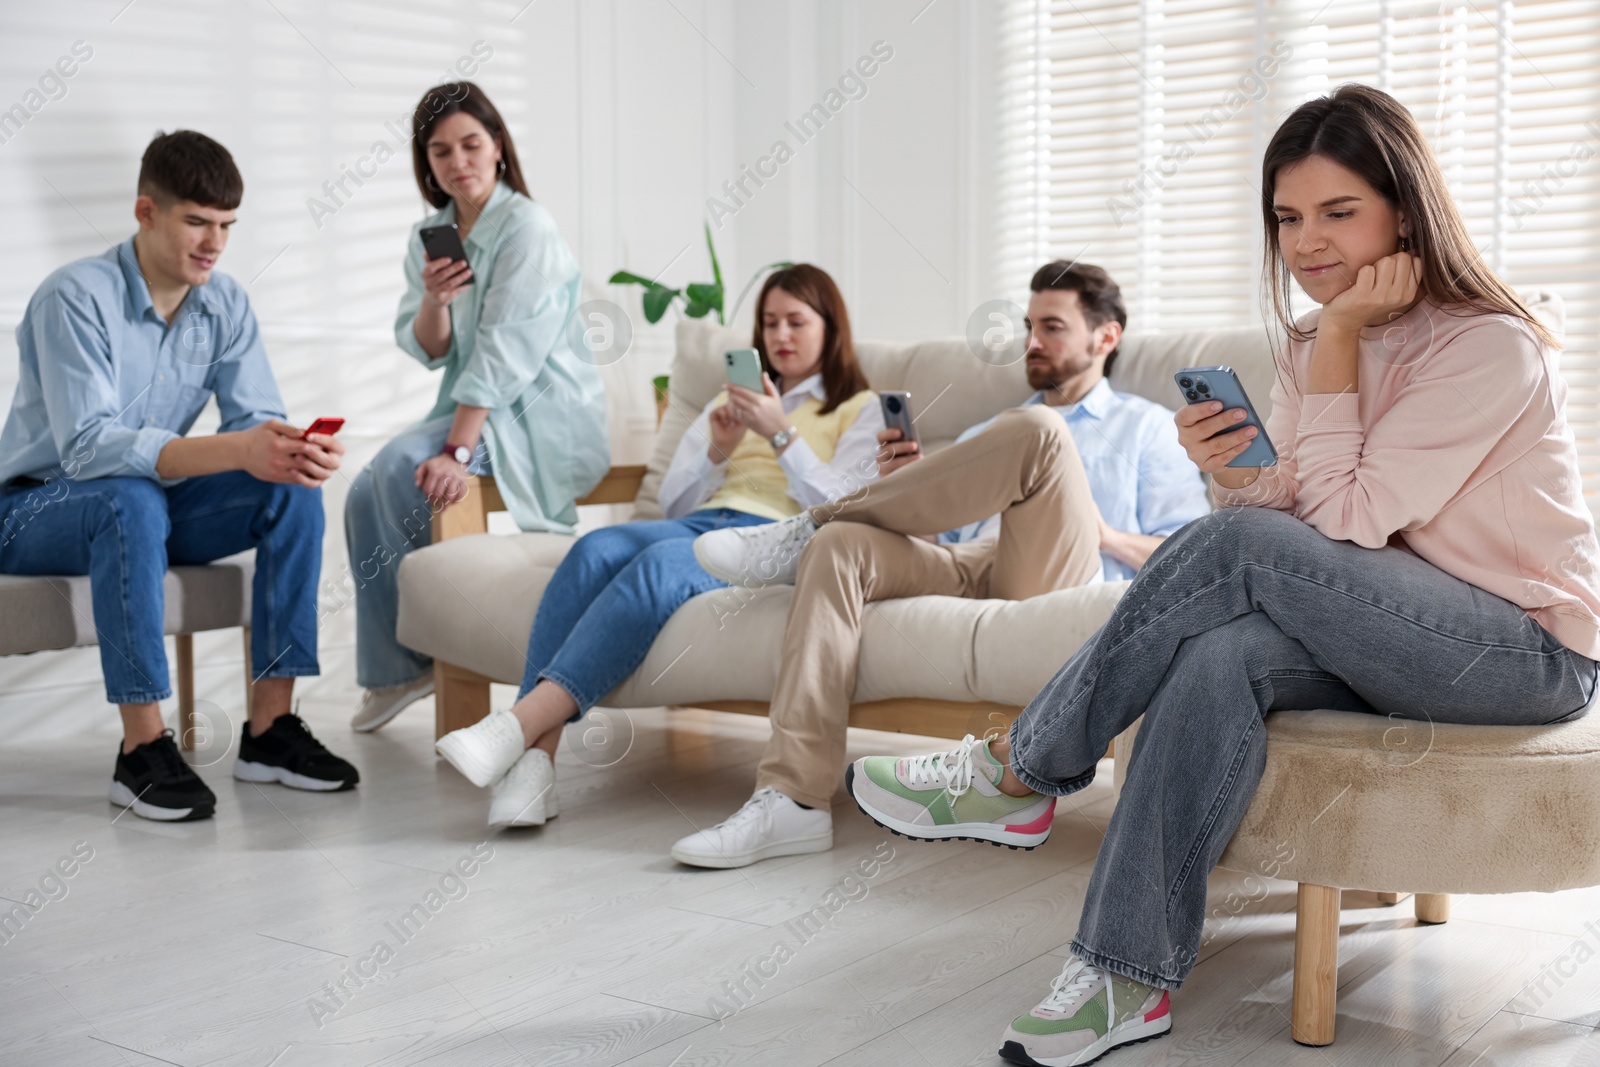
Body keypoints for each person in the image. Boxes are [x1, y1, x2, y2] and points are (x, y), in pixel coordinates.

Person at [838, 84, 1600, 1067]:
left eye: (1337, 212)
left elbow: (1346, 522)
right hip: (1387, 624)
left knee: (1242, 566)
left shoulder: (1486, 347)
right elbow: (1287, 537)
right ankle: (1124, 974)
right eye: (1286, 217)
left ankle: (1022, 768)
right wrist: (1233, 471)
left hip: (1520, 649)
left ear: (1403, 213)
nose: (1306, 242)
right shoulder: (1310, 341)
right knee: (1220, 652)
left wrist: (1330, 349)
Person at [681, 262, 1210, 868]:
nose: (1032, 343)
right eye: (1028, 326)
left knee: (1040, 430)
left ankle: (813, 521)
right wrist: (905, 487)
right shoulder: (991, 429)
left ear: (1106, 337)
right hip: (966, 562)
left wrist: (1103, 532)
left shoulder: (1146, 428)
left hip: (1061, 565)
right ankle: (790, 801)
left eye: (1053, 327)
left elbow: (1187, 551)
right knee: (841, 548)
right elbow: (940, 541)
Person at [433, 264, 884, 829]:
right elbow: (672, 504)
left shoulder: (859, 407)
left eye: (797, 321)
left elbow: (839, 506)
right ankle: (535, 763)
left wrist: (781, 433)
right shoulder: (736, 400)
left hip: (772, 541)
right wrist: (718, 447)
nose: (780, 336)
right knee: (594, 549)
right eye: (770, 323)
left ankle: (517, 729)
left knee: (657, 566)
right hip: (702, 521)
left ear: (830, 329)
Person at [0, 130, 359, 822]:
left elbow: (255, 420)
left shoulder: (225, 305)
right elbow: (87, 448)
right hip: (32, 510)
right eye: (197, 221)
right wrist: (239, 450)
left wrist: (289, 450)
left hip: (147, 505)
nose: (215, 242)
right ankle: (141, 749)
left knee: (290, 488)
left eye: (226, 225)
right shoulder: (74, 296)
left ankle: (270, 733)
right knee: (126, 498)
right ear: (146, 212)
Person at [344, 82, 609, 733]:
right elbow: (431, 346)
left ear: (498, 148)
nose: (457, 161)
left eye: (470, 144)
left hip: (535, 408)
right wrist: (435, 297)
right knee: (361, 491)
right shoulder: (432, 234)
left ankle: (427, 659)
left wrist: (458, 452)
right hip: (471, 401)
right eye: (440, 151)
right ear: (425, 163)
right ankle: (400, 669)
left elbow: (505, 351)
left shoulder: (528, 228)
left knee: (407, 463)